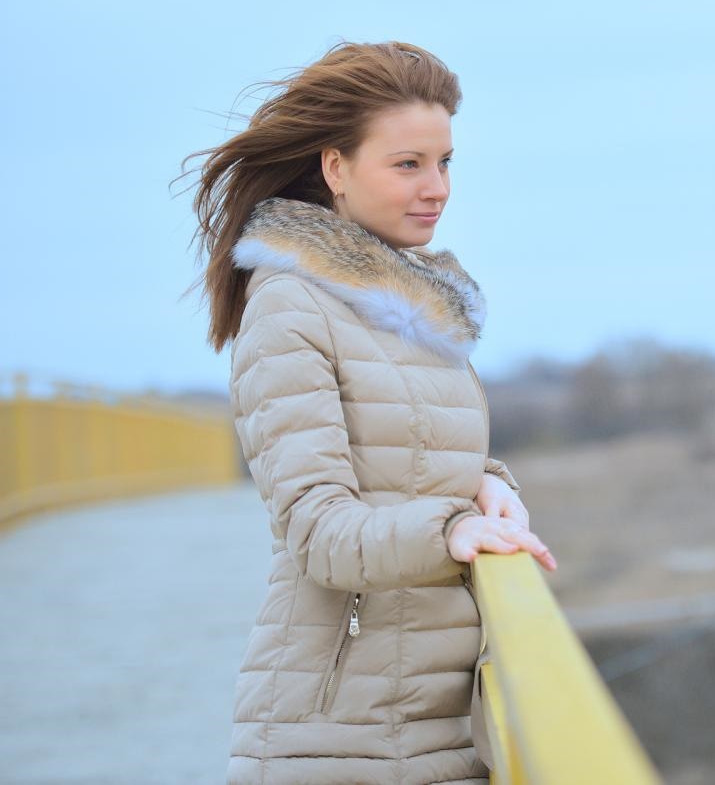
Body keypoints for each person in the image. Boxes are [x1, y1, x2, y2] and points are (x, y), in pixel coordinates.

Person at [181, 40, 556, 785]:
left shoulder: (405, 310)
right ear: (335, 168)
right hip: (339, 737)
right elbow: (318, 530)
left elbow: (401, 450)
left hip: (428, 722)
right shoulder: (290, 309)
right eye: (408, 164)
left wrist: (485, 481)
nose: (437, 187)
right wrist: (453, 530)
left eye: (445, 162)